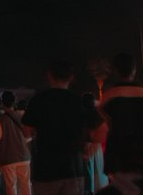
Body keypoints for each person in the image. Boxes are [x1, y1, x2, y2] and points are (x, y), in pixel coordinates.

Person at [22, 60, 101, 195]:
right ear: (71, 77)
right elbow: (99, 128)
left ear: (49, 76)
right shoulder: (79, 101)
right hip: (73, 168)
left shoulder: (38, 100)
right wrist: (90, 148)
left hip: (45, 170)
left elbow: (27, 132)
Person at [100, 54, 143, 178]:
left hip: (117, 159)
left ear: (115, 71)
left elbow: (102, 129)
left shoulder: (108, 97)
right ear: (134, 70)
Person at [0, 91, 31, 195]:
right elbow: (29, 136)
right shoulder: (22, 117)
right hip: (24, 156)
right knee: (26, 185)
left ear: (2, 103)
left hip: (8, 158)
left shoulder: (0, 120)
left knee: (10, 186)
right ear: (14, 102)